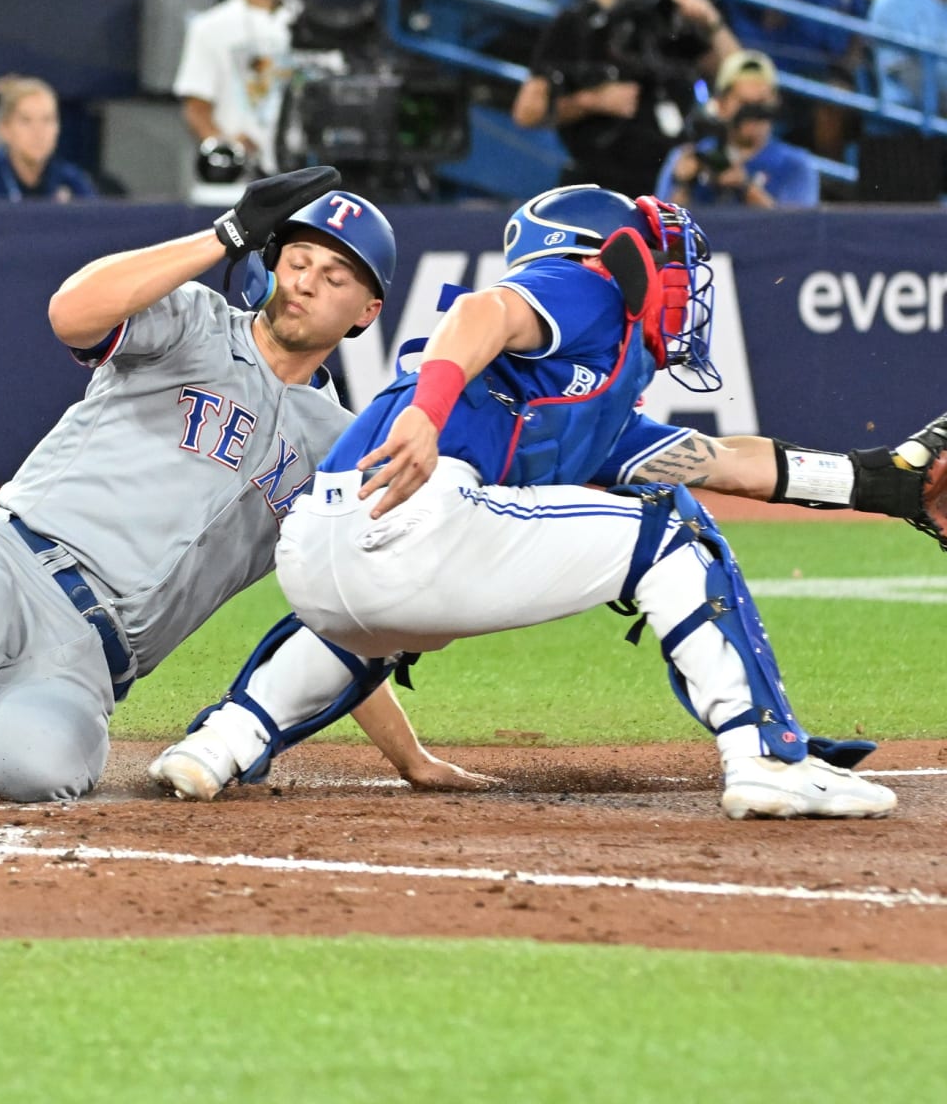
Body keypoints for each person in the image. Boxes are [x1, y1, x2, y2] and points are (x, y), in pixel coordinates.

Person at [151, 184, 937, 818]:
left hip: (327, 555)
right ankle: (766, 758)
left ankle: (218, 744)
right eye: (663, 258)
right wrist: (429, 411)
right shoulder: (588, 287)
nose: (677, 279)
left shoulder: (589, 399)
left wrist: (873, 479)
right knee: (675, 541)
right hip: (419, 516)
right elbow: (480, 311)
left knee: (370, 621)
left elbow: (721, 461)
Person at [0, 167, 483, 804]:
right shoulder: (197, 322)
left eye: (335, 276)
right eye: (299, 259)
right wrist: (221, 236)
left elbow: (338, 613)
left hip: (89, 662)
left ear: (368, 312)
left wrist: (407, 756)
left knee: (42, 768)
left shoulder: (336, 444)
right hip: (7, 567)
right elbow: (72, 312)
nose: (306, 283)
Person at [511, 0, 739, 196]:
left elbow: (736, 73)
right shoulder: (572, 25)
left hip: (667, 189)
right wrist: (591, 100)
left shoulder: (662, 16)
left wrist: (712, 21)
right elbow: (526, 113)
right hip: (597, 188)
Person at [692, 0, 866, 156]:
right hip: (766, 71)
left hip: (825, 70)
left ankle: (828, 187)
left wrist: (846, 69)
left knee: (837, 98)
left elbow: (858, 25)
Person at [173, 0, 305, 182]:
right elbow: (196, 107)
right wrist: (227, 148)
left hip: (305, 170)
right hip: (241, 179)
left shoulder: (314, 24)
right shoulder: (211, 27)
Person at [656, 48, 819, 204]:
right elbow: (660, 227)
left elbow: (799, 229)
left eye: (761, 104)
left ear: (775, 104)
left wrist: (745, 187)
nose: (753, 115)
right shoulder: (691, 156)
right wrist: (684, 185)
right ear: (721, 104)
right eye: (744, 104)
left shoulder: (795, 165)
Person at [0, 75, 95, 201]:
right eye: (26, 121)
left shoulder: (72, 182)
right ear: (5, 129)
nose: (39, 132)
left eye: (48, 120)